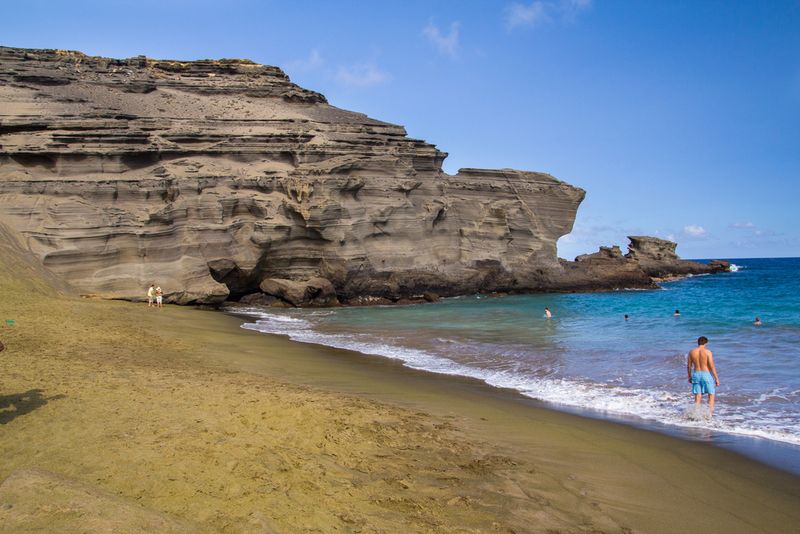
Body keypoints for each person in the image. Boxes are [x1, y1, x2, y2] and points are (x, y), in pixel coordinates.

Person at [687, 336, 720, 415]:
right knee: (711, 394)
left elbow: (689, 366)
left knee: (698, 396)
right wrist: (716, 379)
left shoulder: (691, 352)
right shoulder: (708, 352)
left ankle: (696, 414)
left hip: (696, 374)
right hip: (706, 374)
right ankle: (709, 415)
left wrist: (689, 376)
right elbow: (711, 366)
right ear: (706, 343)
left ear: (698, 342)